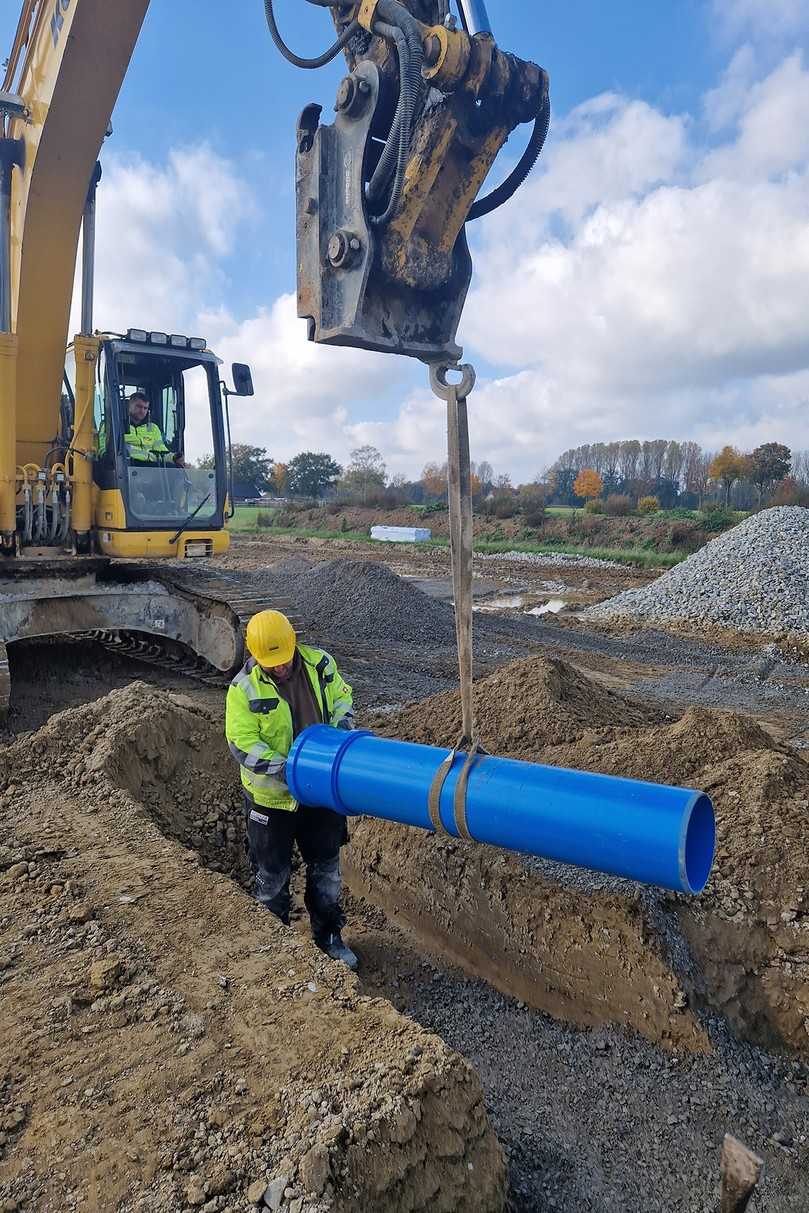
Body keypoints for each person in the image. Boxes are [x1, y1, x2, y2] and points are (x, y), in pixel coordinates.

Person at [225, 609, 358, 970]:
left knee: (326, 868)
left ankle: (329, 937)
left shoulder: (321, 665)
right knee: (271, 878)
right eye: (272, 664)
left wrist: (341, 730)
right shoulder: (244, 688)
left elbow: (343, 700)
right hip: (272, 801)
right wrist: (290, 770)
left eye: (283, 661)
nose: (280, 668)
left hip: (321, 793)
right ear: (254, 654)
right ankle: (278, 955)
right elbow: (242, 743)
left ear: (293, 643)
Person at [124, 392, 185, 466]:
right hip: (128, 467)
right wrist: (150, 456)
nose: (142, 411)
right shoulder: (117, 426)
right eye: (139, 406)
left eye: (145, 408)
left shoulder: (153, 428)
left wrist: (173, 457)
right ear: (129, 406)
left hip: (150, 467)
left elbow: (161, 451)